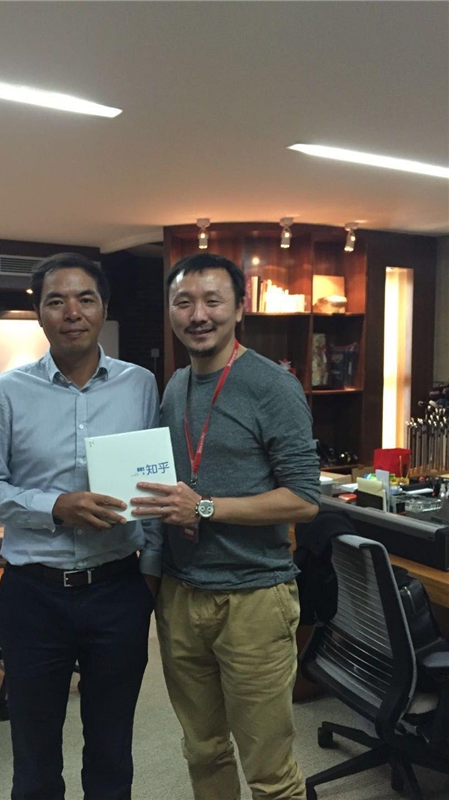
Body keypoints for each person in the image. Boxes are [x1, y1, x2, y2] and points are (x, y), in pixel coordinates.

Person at [0, 252, 161, 800]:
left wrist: (150, 575)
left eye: (85, 299)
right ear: (40, 313)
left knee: (112, 752)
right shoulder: (8, 391)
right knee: (34, 758)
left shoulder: (141, 385)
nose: (72, 312)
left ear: (103, 309)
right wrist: (55, 506)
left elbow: (157, 484)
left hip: (117, 590)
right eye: (56, 301)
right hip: (34, 596)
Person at [131, 252, 320, 800]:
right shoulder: (175, 386)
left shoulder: (273, 385)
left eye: (212, 301)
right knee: (203, 750)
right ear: (171, 312)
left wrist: (206, 508)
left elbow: (304, 499)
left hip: (253, 599)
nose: (198, 315)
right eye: (184, 302)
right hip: (182, 595)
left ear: (239, 308)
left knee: (269, 770)